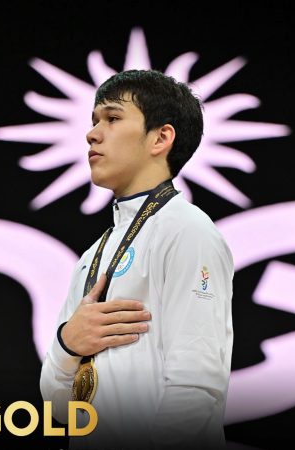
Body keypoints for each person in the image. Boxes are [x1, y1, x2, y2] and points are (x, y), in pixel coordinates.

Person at [40, 69, 234, 450]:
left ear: (160, 138)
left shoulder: (188, 232)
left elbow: (196, 389)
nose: (92, 134)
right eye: (94, 121)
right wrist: (67, 344)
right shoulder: (92, 257)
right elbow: (59, 406)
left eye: (112, 118)